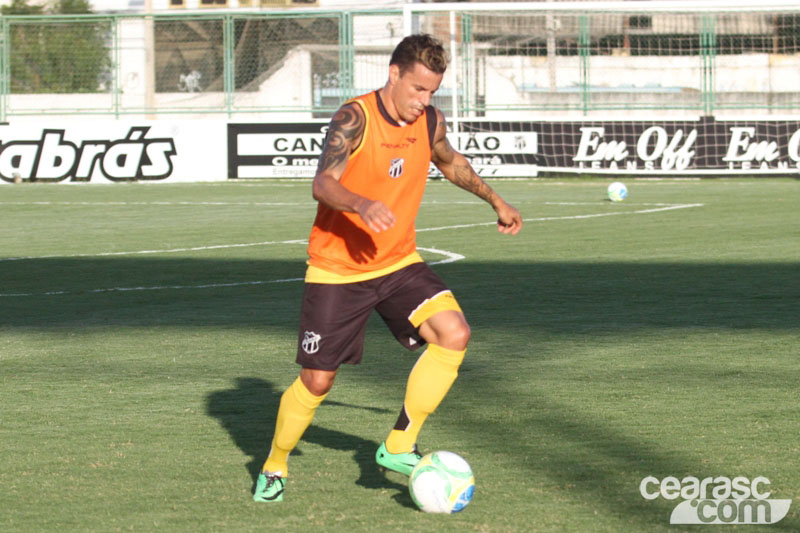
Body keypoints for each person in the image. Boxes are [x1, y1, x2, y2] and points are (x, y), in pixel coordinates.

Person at [253, 33, 522, 503]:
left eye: (432, 92)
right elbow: (323, 183)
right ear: (393, 74)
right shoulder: (355, 117)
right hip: (338, 268)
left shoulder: (430, 121)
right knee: (318, 381)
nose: (424, 101)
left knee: (453, 333)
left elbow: (450, 161)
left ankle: (399, 444)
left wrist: (495, 199)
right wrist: (360, 204)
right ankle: (275, 467)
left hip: (398, 261)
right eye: (417, 89)